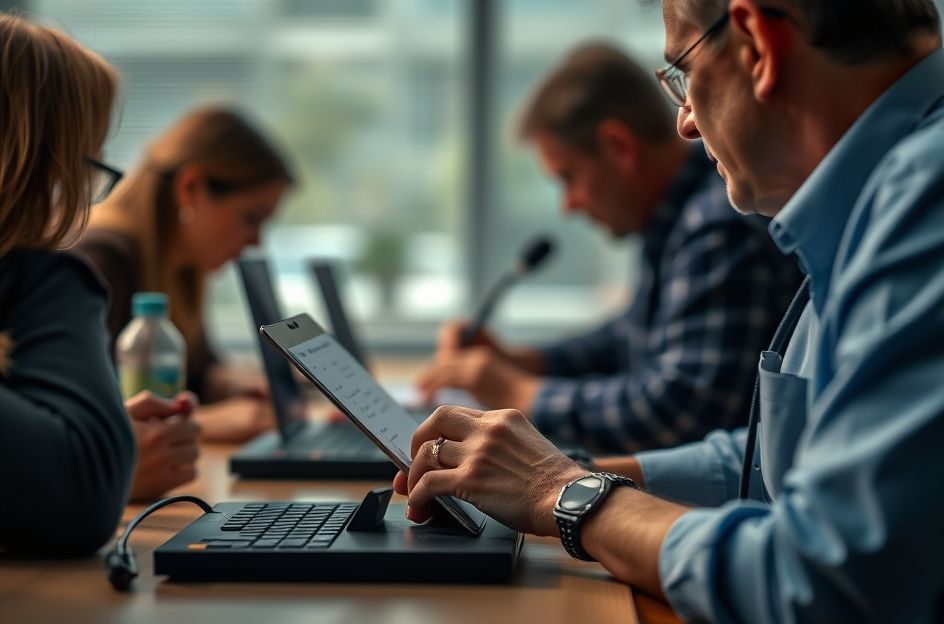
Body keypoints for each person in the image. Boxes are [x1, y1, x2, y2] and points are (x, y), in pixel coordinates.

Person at [395, 0, 944, 620]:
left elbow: (821, 580)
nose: (683, 123)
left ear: (756, 45)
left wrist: (564, 492)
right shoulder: (862, 207)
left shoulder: (925, 207)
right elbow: (771, 461)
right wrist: (544, 474)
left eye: (682, 70)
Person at [417, 43, 802, 453]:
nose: (569, 205)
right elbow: (627, 338)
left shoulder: (716, 227)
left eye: (568, 178)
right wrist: (523, 362)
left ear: (619, 146)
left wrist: (519, 392)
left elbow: (678, 410)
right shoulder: (677, 218)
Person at [0, 13, 195, 554]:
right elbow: (80, 495)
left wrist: (95, 437)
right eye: (87, 169)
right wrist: (98, 455)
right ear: (41, 171)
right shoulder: (52, 277)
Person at [74, 107, 294, 444]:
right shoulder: (100, 260)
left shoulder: (180, 269)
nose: (255, 242)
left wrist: (227, 383)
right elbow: (85, 413)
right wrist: (204, 422)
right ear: (190, 188)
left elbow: (193, 373)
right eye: (251, 217)